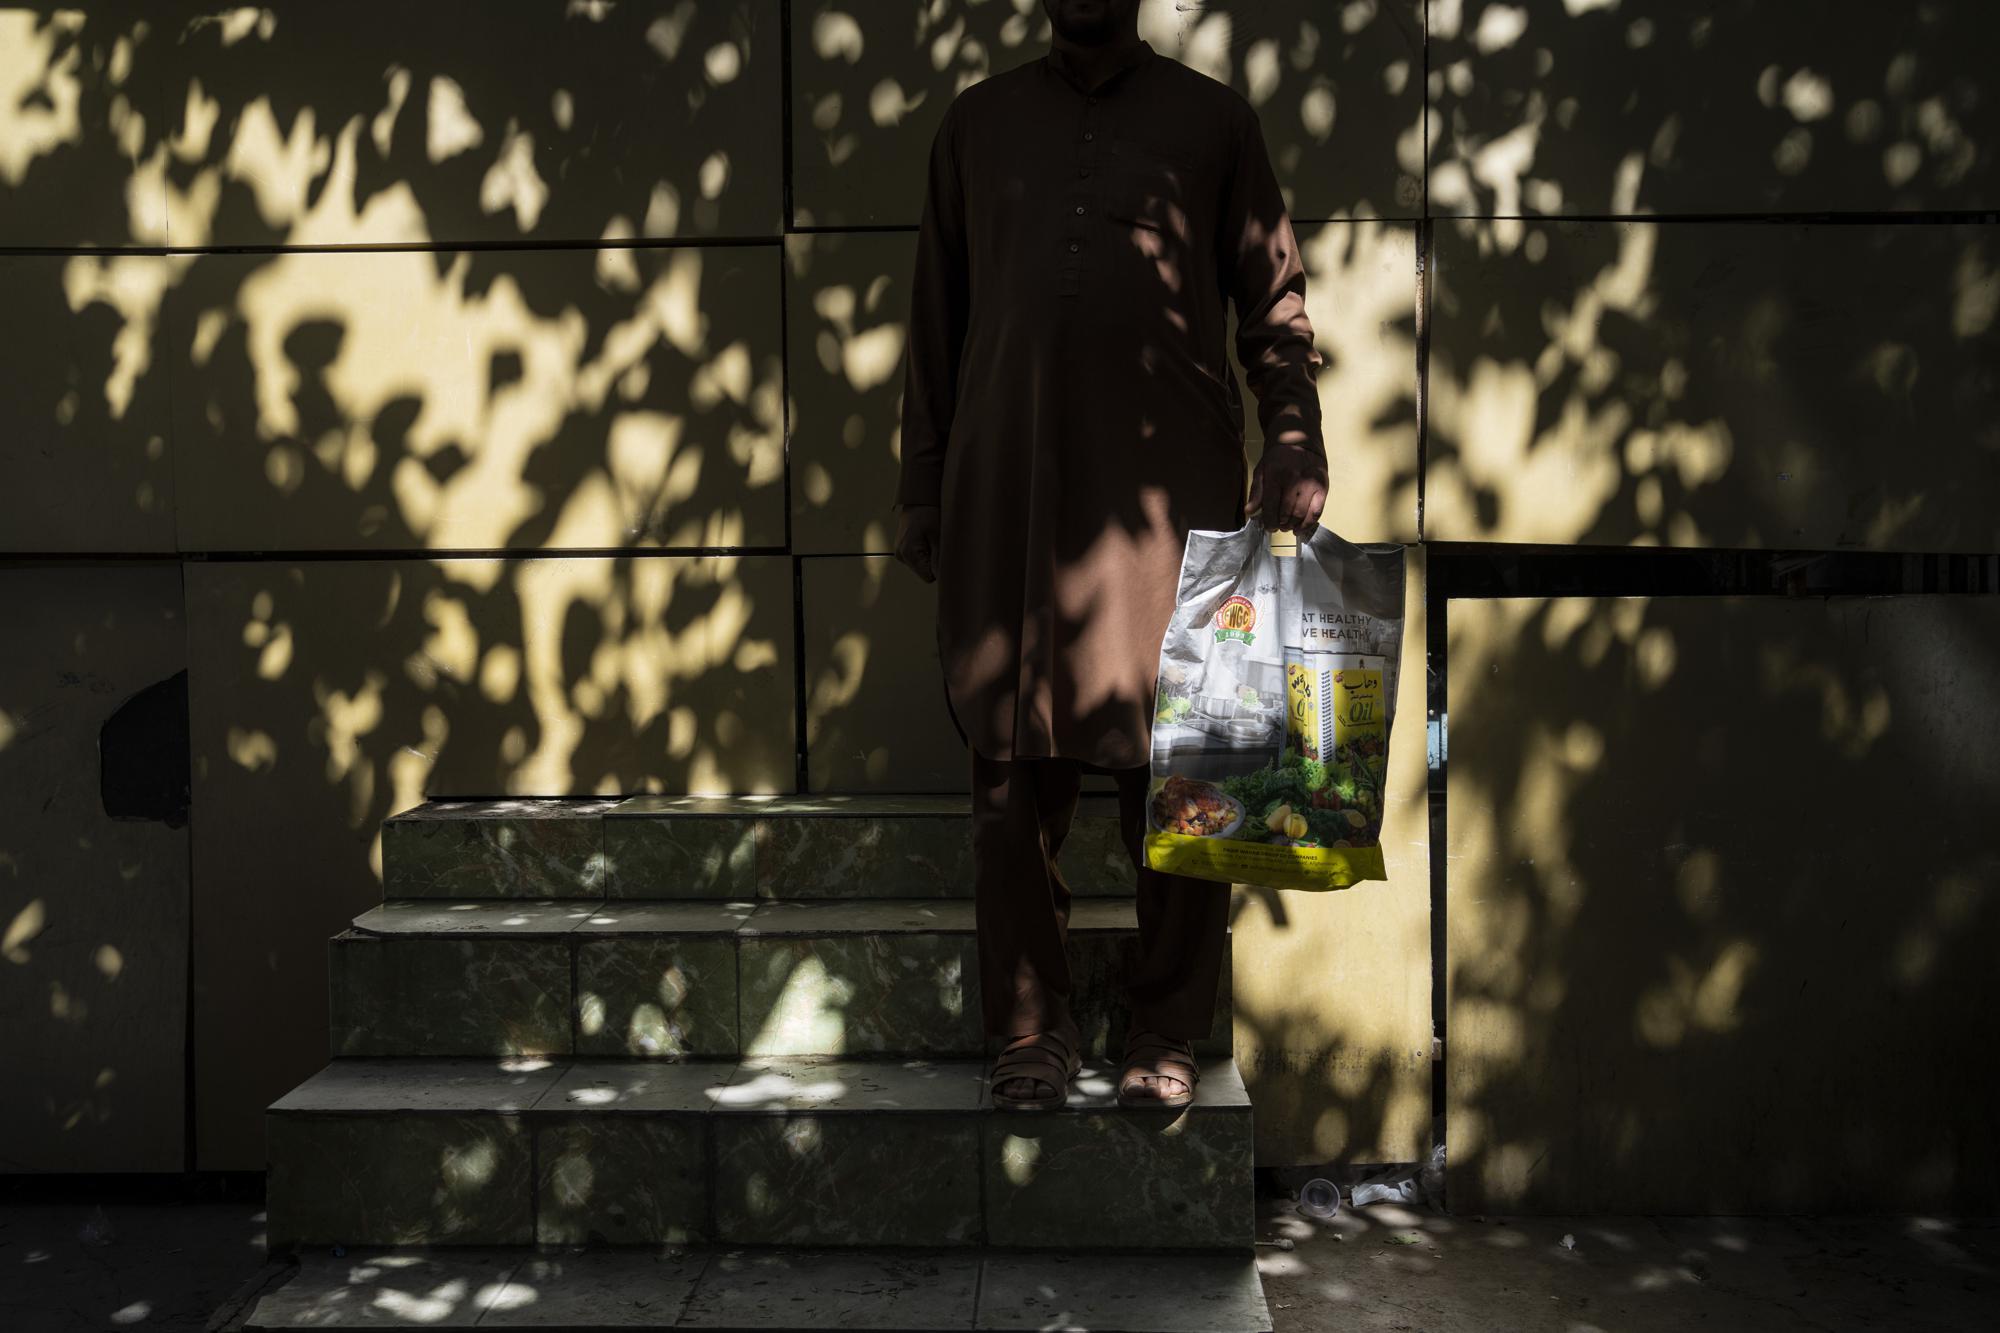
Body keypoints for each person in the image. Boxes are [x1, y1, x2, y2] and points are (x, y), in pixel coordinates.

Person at [894, 0, 1327, 1110]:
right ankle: (1031, 1031)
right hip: (1008, 493)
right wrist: (924, 479)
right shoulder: (976, 127)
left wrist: (1291, 435)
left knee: (1187, 769)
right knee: (1008, 771)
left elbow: (1273, 308)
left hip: (1168, 505)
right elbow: (934, 324)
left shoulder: (1212, 123)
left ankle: (1166, 1029)